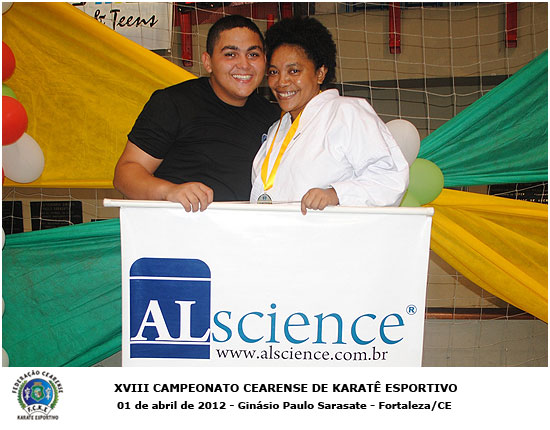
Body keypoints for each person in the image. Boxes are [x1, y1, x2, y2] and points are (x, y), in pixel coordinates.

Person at [114, 15, 280, 212]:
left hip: (246, 228)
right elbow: (125, 174)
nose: (244, 64)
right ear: (207, 62)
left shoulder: (274, 116)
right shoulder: (173, 103)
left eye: (253, 54)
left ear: (265, 60)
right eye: (230, 54)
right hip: (179, 227)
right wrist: (169, 191)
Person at [250, 16, 409, 214]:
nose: (281, 81)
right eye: (274, 72)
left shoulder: (347, 113)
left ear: (320, 73)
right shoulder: (277, 129)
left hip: (330, 233)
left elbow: (390, 179)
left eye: (294, 71)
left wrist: (336, 194)